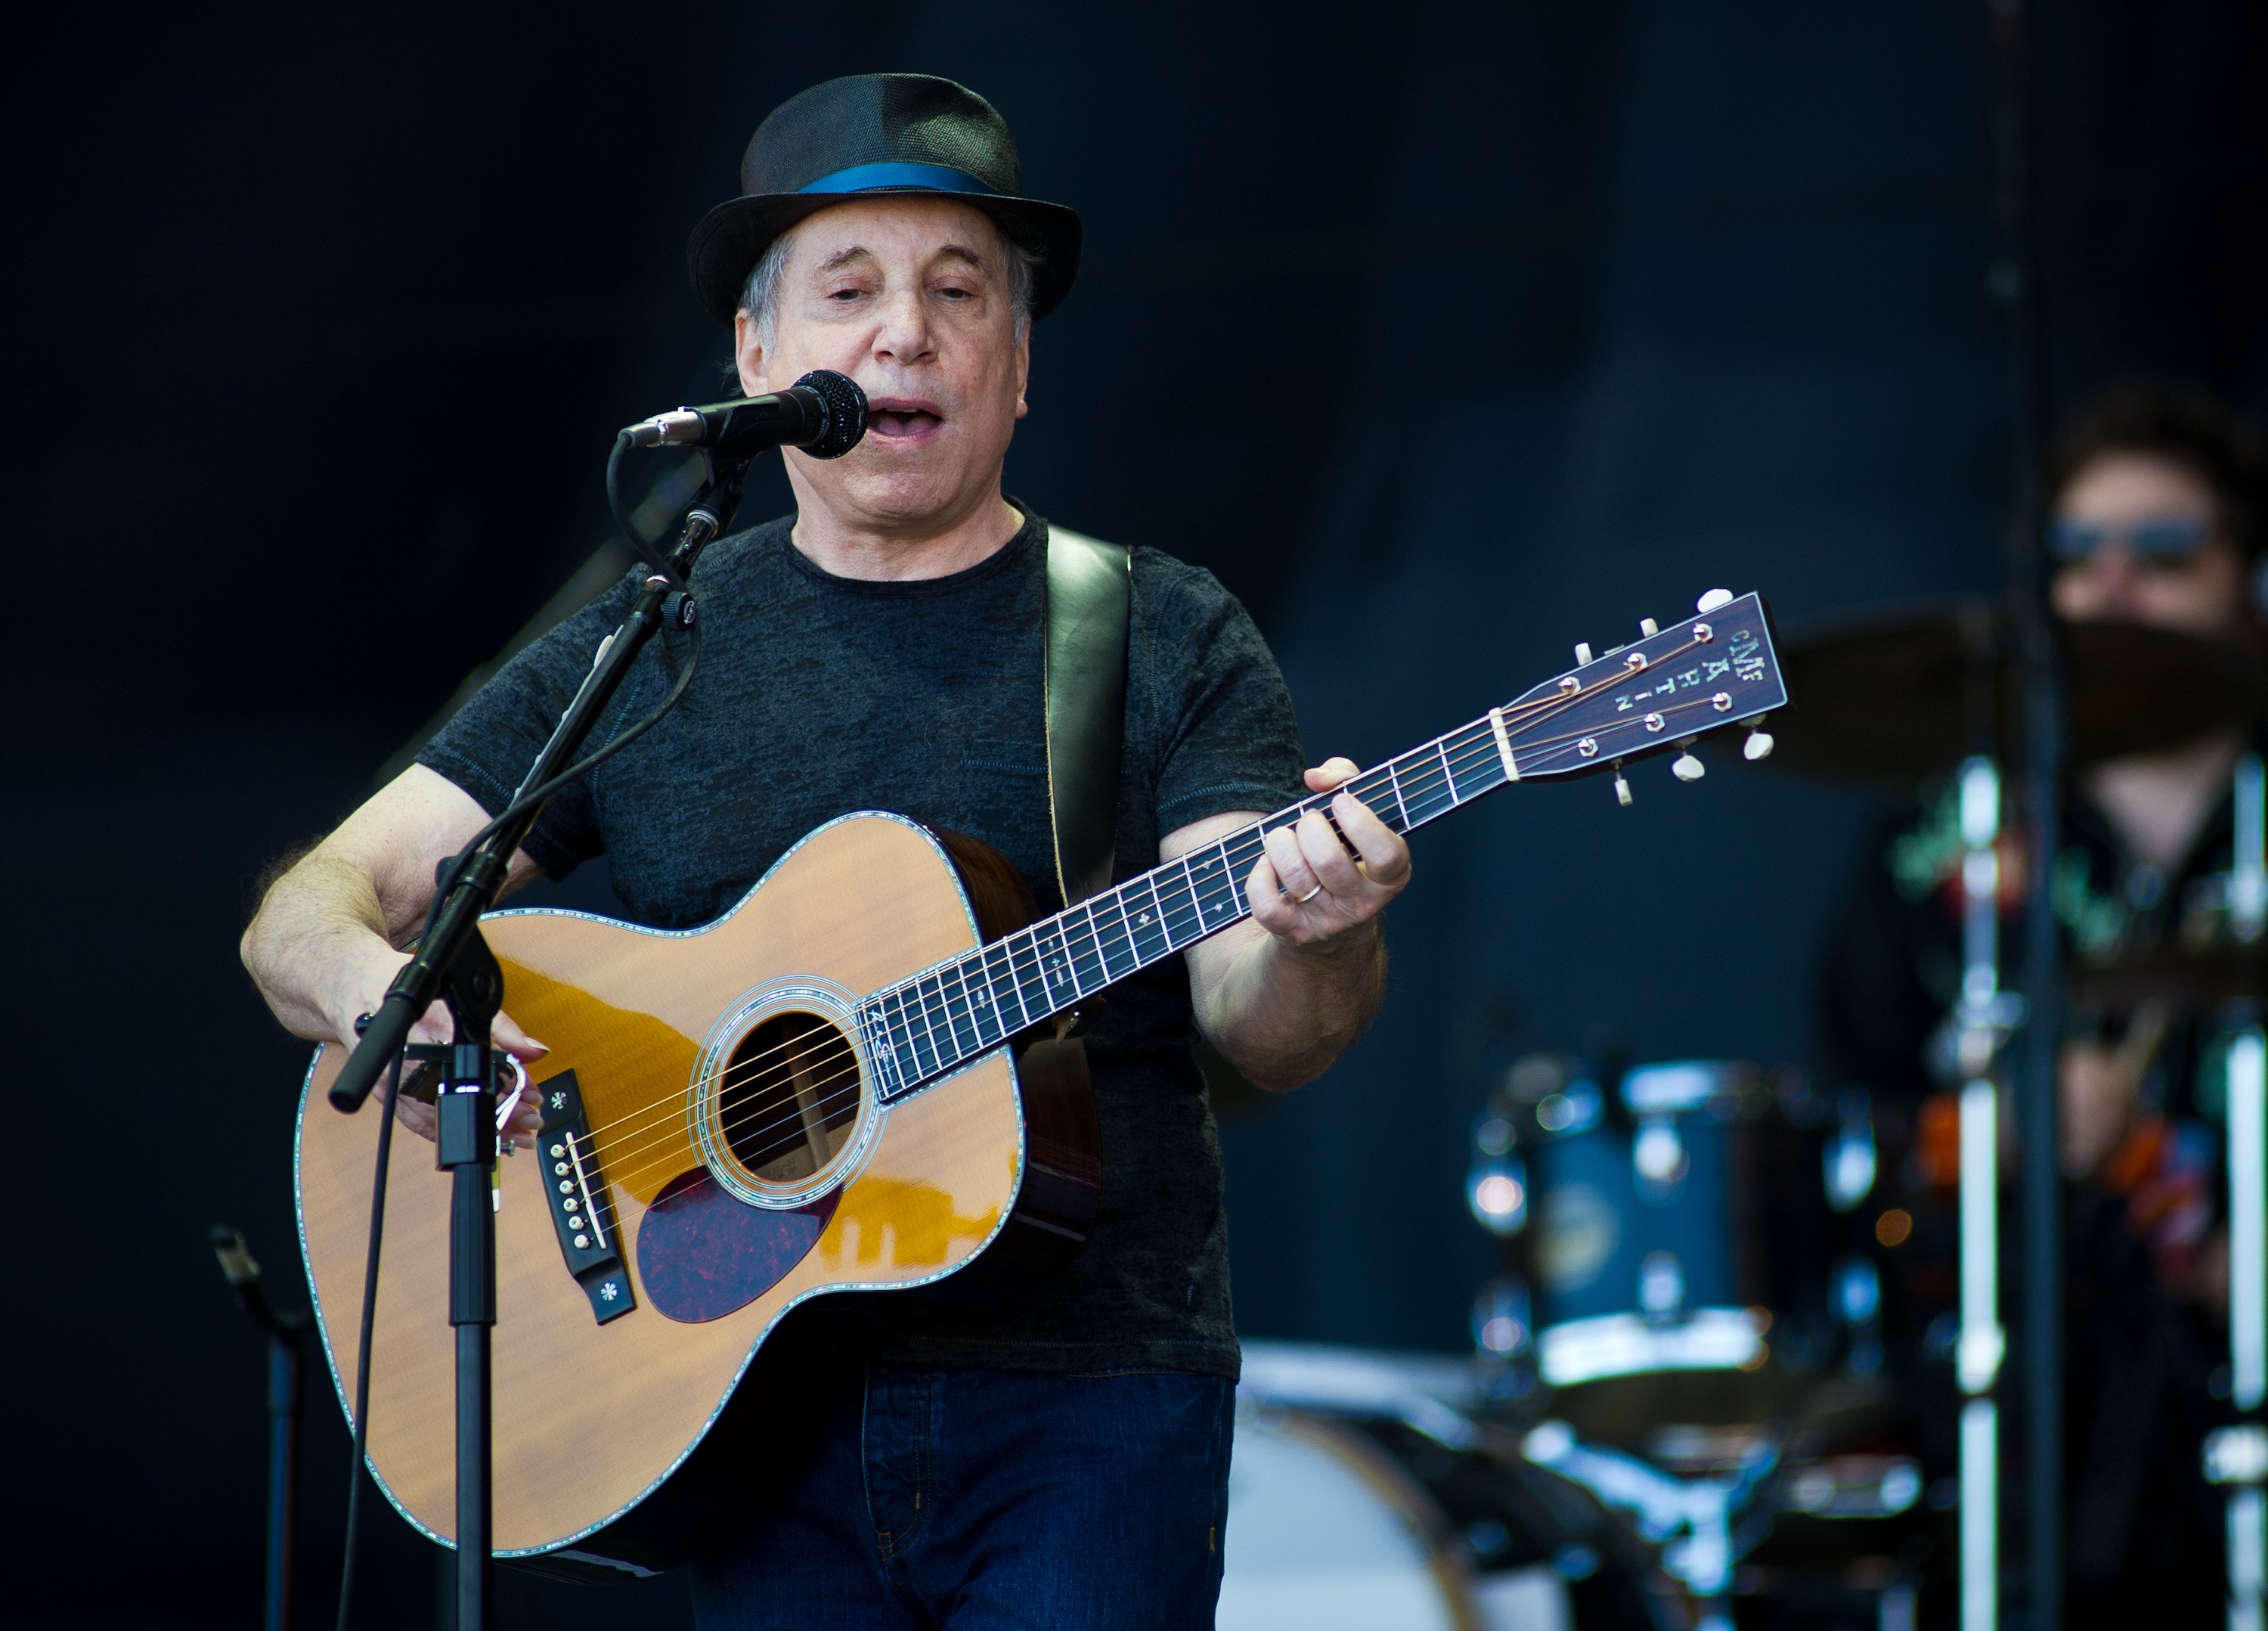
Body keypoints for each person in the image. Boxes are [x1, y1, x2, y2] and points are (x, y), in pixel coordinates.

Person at [239, 74, 1411, 1629]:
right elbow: (317, 902)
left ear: (1018, 361)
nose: (903, 335)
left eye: (956, 291)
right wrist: (370, 983)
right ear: (756, 356)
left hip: (1087, 1410)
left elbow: (1259, 1013)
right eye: (847, 292)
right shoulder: (656, 639)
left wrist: (1320, 928)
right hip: (744, 1403)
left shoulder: (1152, 627)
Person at [1819, 380, 2268, 1626]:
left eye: (2165, 551)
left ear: (2250, 578)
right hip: (2018, 1407)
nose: (2114, 586)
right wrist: (1994, 1125)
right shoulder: (1946, 834)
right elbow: (1859, 1119)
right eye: (2078, 556)